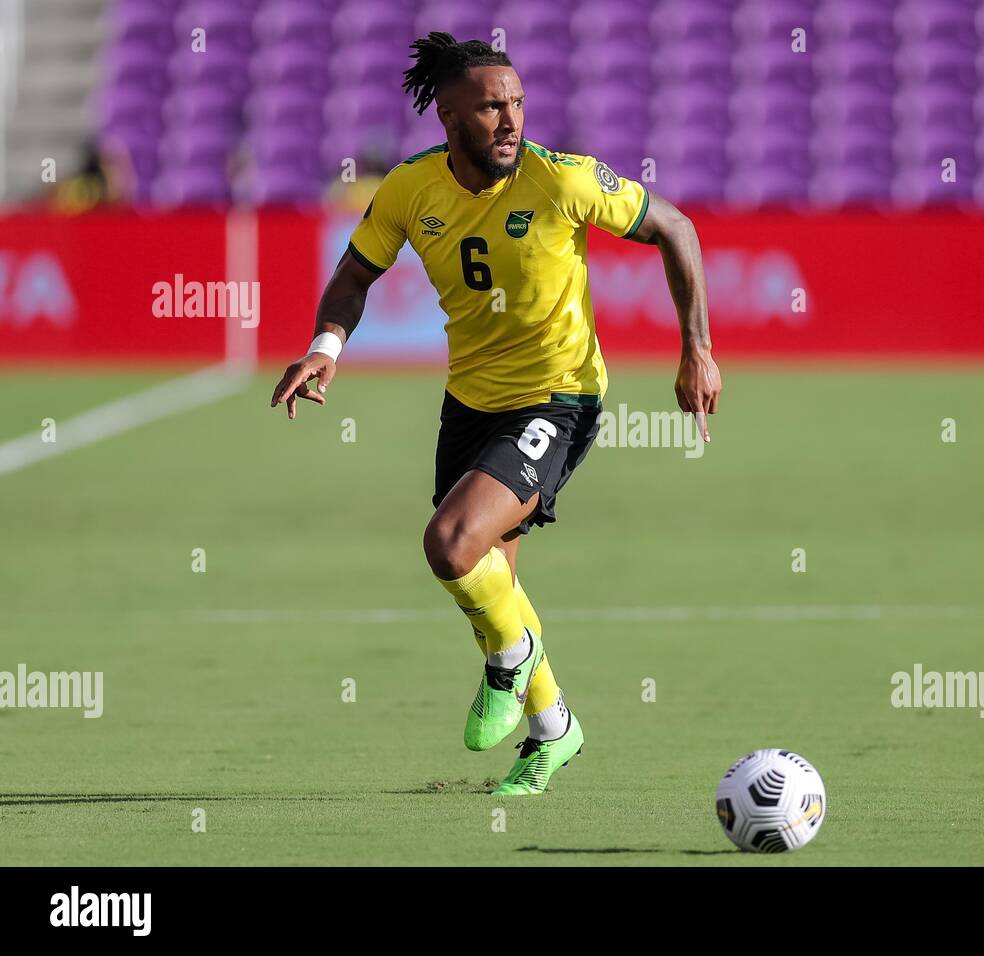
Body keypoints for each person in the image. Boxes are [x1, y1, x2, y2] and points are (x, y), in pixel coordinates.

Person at [271, 33, 721, 795]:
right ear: (449, 117)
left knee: (449, 545)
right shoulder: (412, 190)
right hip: (470, 403)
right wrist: (325, 347)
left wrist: (697, 351)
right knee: (493, 584)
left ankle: (508, 667)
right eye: (490, 107)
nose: (510, 120)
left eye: (516, 103)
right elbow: (355, 273)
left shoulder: (561, 179)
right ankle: (554, 730)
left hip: (559, 397)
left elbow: (675, 228)